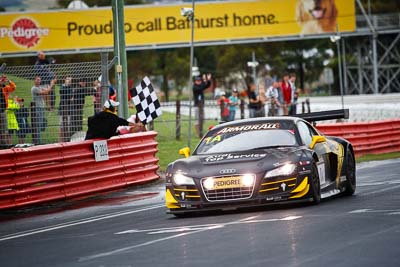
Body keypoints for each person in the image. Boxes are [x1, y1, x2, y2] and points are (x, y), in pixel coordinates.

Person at [31, 76, 56, 145]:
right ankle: (36, 142)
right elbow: (45, 92)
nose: (39, 81)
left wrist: (51, 84)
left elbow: (48, 90)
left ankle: (37, 141)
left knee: (40, 125)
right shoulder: (34, 88)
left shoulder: (40, 87)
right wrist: (51, 84)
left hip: (41, 108)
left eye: (40, 80)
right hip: (37, 108)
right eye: (37, 80)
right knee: (37, 125)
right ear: (34, 80)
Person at [0, 75, 16, 146]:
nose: (2, 82)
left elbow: (13, 87)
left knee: (4, 129)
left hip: (3, 110)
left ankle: (4, 144)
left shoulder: (5, 88)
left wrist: (8, 81)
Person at [59, 76, 73, 142]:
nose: (69, 81)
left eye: (70, 80)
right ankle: (60, 142)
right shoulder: (62, 86)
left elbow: (70, 96)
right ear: (65, 80)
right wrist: (67, 85)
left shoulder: (71, 88)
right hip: (62, 109)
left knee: (68, 126)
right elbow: (62, 92)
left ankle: (66, 141)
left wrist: (68, 87)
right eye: (68, 79)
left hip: (69, 110)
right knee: (61, 126)